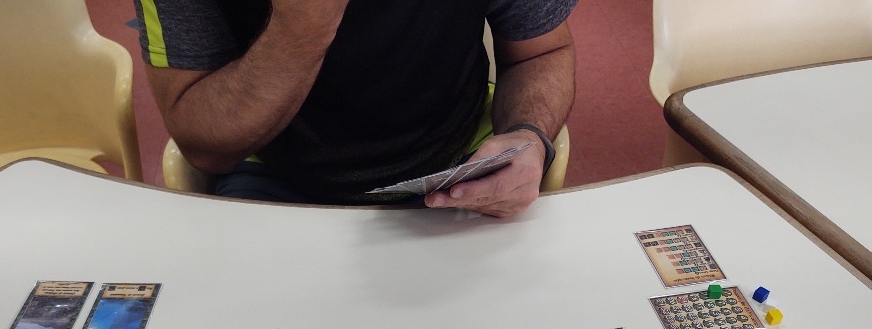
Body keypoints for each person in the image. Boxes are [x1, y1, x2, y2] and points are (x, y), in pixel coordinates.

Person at [133, 1, 578, 218]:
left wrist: (527, 135)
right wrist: (300, 29)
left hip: (459, 168)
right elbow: (203, 145)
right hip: (274, 172)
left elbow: (542, 52)